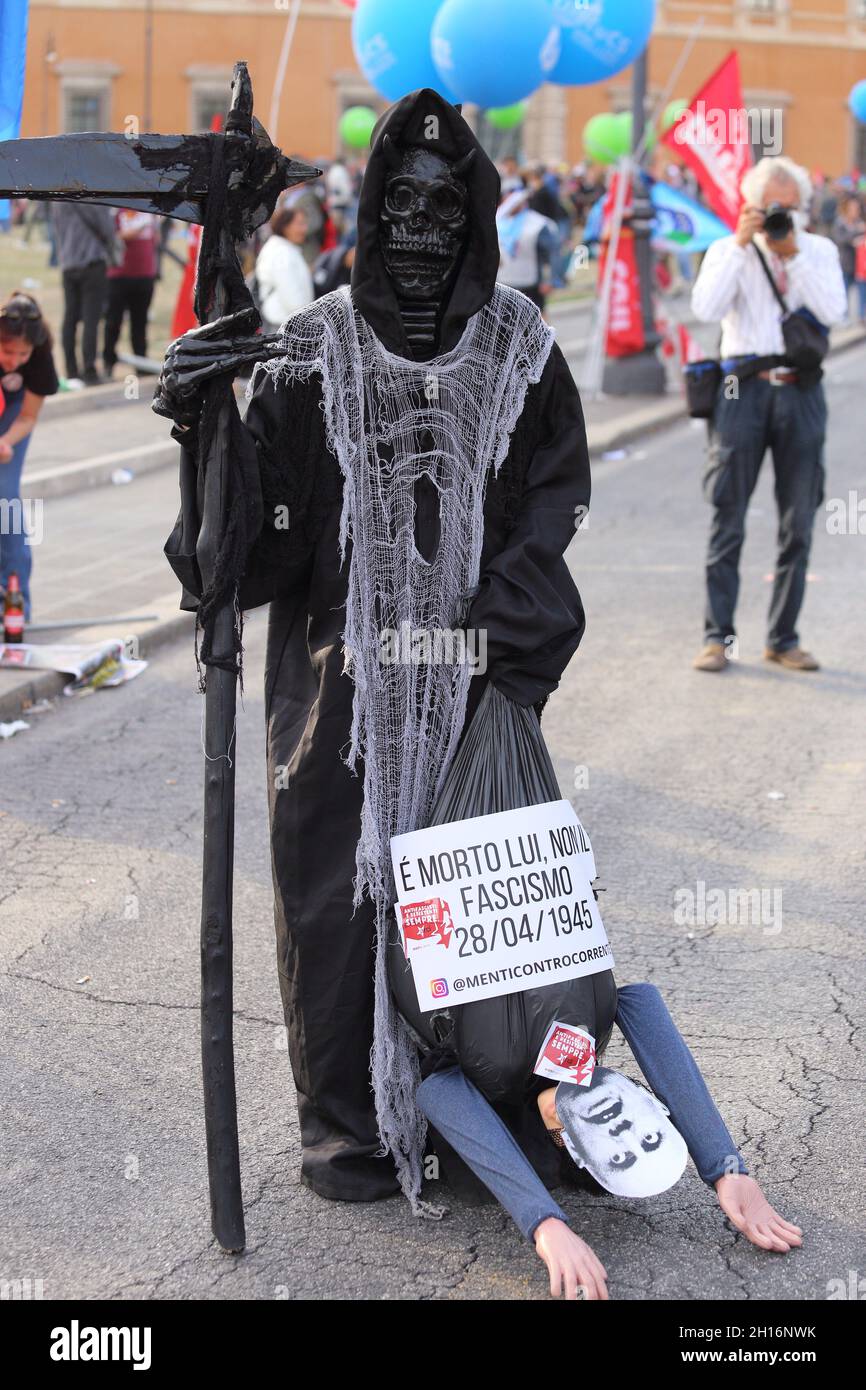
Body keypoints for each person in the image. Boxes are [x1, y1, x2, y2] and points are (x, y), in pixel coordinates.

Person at [157, 89, 591, 1210]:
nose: (416, 218)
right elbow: (250, 553)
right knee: (336, 903)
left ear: (475, 212)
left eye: (441, 201)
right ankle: (350, 1130)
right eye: (396, 196)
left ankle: (480, 1116)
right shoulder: (312, 349)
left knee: (474, 910)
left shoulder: (521, 346)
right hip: (334, 698)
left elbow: (551, 503)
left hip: (473, 687)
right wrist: (204, 430)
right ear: (371, 205)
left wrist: (497, 633)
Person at [417, 982, 801, 1300]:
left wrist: (544, 1222)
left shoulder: (480, 1081)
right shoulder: (588, 1025)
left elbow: (437, 1091)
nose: (623, 1129)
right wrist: (726, 1168)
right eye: (650, 1134)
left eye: (615, 1152)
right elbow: (638, 1000)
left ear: (565, 1141)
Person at [690, 156, 847, 674]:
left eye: (787, 208)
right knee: (727, 515)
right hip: (742, 391)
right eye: (767, 208)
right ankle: (717, 638)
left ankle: (783, 637)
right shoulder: (725, 249)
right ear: (748, 208)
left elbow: (834, 313)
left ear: (801, 209)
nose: (779, 217)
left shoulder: (818, 250)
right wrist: (741, 245)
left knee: (797, 520)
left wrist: (793, 256)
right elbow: (707, 309)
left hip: (800, 391)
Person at [0, 292, 59, 620]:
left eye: (22, 353)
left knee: (5, 498)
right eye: (7, 352)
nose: (14, 361)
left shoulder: (38, 359)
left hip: (13, 419)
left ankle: (15, 603)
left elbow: (28, 417)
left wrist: (5, 443)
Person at [50, 201, 115, 385]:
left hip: (68, 263)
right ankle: (89, 370)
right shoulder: (90, 196)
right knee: (91, 319)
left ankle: (71, 370)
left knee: (70, 318)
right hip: (91, 262)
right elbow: (108, 229)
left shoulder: (58, 198)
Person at [103, 209, 160, 376]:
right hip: (119, 275)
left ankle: (141, 363)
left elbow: (155, 238)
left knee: (140, 323)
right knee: (113, 322)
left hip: (144, 275)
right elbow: (114, 236)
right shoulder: (116, 211)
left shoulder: (149, 212)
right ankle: (108, 361)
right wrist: (136, 230)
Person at [495, 187, 559, 313]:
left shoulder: (537, 224)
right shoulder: (499, 221)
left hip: (531, 283)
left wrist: (549, 280)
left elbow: (551, 254)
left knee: (536, 319)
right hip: (505, 282)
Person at [254, 205, 314, 331]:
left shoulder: (283, 248)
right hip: (285, 328)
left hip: (286, 325)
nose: (305, 229)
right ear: (285, 226)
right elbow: (293, 301)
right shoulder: (281, 253)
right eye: (300, 224)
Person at [831, 193, 866, 323]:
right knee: (844, 291)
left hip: (860, 264)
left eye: (857, 209)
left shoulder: (859, 223)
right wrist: (854, 239)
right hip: (846, 262)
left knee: (862, 292)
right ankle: (843, 316)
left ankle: (862, 315)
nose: (855, 211)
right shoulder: (840, 223)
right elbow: (839, 239)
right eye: (853, 209)